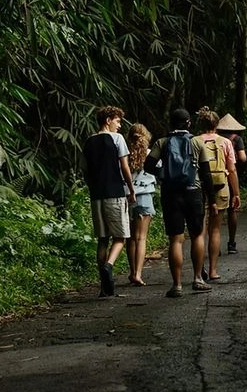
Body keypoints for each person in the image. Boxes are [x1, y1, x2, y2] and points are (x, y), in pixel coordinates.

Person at [144, 108, 213, 298]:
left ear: (171, 123)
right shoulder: (197, 141)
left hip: (171, 194)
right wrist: (212, 199)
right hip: (193, 192)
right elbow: (206, 173)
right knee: (197, 235)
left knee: (176, 238)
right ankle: (198, 279)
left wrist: (163, 175)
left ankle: (177, 285)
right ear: (189, 123)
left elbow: (148, 165)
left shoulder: (162, 142)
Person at [82, 105, 136, 296]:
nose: (119, 126)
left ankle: (104, 288)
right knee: (121, 237)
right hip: (115, 192)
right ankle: (109, 266)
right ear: (108, 120)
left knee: (102, 238)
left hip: (97, 195)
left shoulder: (89, 141)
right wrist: (131, 190)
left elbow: (86, 171)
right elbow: (125, 167)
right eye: (117, 121)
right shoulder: (117, 139)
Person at [194, 108, 240, 282]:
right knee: (215, 229)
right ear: (216, 124)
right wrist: (236, 193)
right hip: (221, 187)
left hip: (199, 188)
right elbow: (232, 170)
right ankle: (213, 270)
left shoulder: (194, 141)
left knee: (200, 231)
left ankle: (199, 270)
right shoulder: (225, 142)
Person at [125, 123, 156, 287]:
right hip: (145, 198)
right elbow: (160, 169)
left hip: (128, 199)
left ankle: (131, 272)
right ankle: (138, 273)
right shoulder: (150, 155)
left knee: (130, 238)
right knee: (141, 238)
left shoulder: (124, 155)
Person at [217, 112, 247, 254]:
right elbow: (242, 158)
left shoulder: (214, 139)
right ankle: (231, 243)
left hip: (214, 177)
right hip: (230, 176)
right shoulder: (236, 139)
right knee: (232, 210)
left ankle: (214, 244)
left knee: (214, 212)